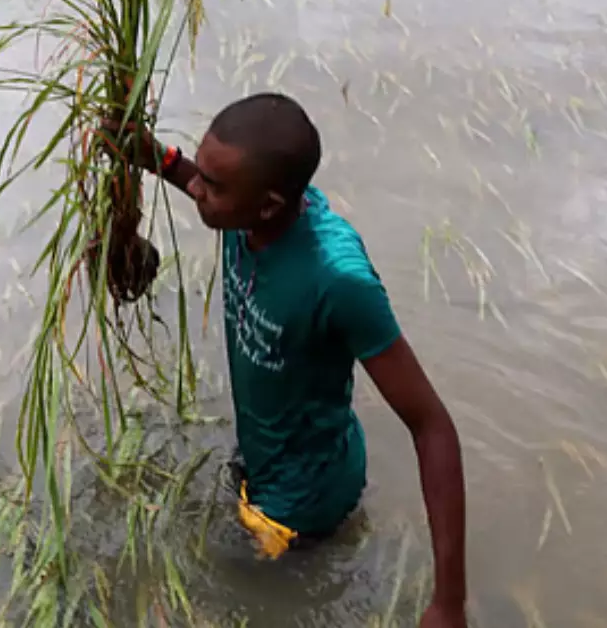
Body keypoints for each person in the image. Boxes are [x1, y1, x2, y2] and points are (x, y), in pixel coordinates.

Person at [108, 92, 469, 628]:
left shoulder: (337, 279)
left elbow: (431, 424)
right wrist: (157, 160)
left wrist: (448, 602)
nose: (197, 191)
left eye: (212, 185)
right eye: (200, 174)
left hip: (301, 508)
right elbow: (206, 185)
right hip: (264, 459)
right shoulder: (248, 210)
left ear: (270, 205)